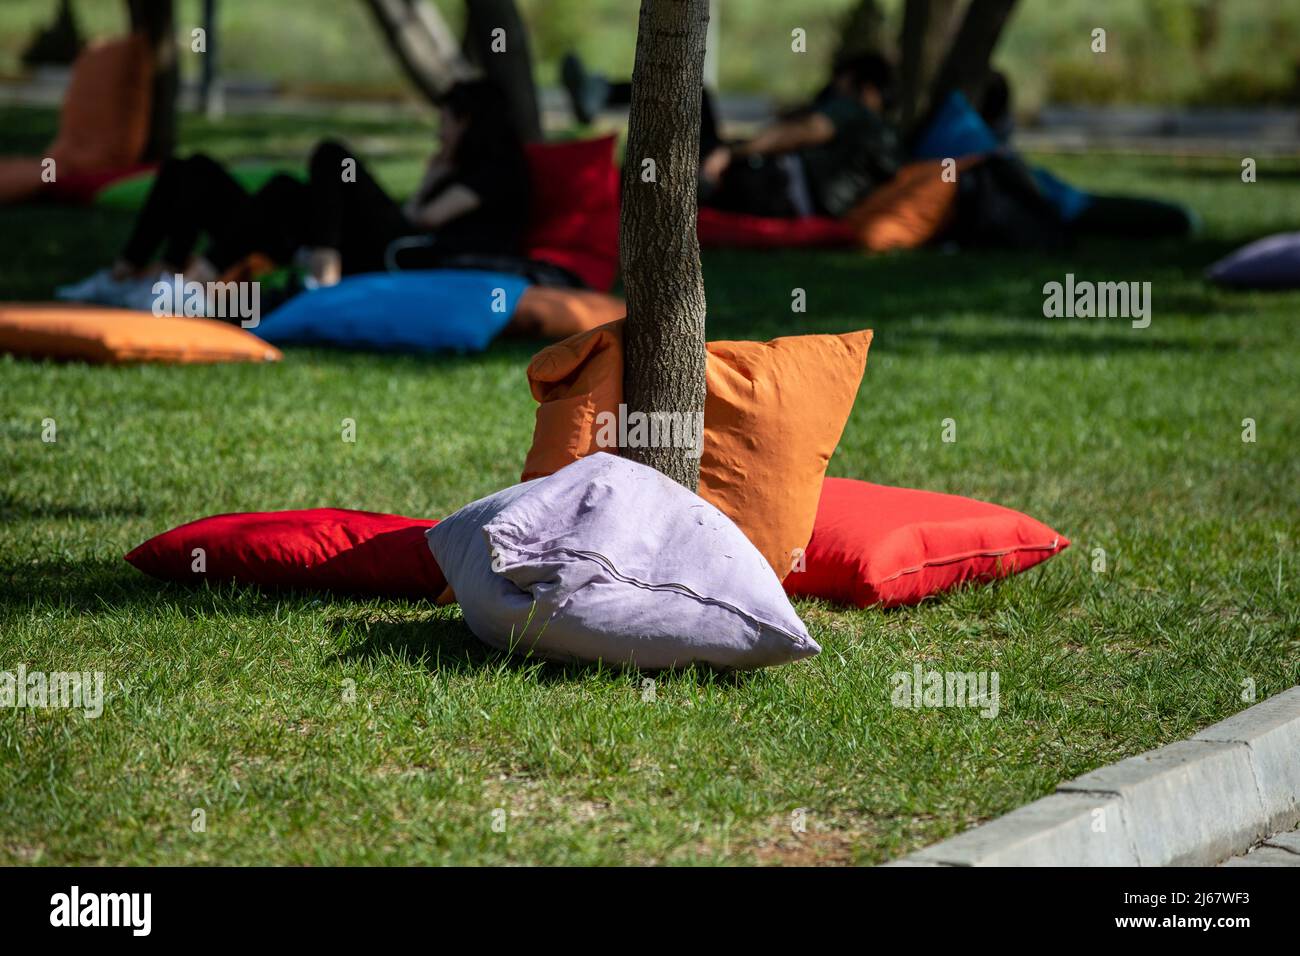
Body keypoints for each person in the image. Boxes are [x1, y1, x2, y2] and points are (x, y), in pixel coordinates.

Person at [57, 80, 531, 309]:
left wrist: (431, 179)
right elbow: (415, 214)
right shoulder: (460, 165)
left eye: (445, 123)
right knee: (197, 170)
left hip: (401, 253)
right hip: (385, 241)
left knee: (330, 153)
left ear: (469, 121)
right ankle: (142, 274)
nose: (438, 133)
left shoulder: (499, 170)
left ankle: (319, 278)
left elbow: (425, 221)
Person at [562, 52, 903, 220]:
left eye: (840, 82)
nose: (833, 90)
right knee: (684, 162)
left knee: (694, 96)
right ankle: (607, 191)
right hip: (783, 198)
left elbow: (804, 132)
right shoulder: (882, 136)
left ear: (863, 85)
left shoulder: (855, 110)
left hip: (773, 185)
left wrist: (730, 152)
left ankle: (602, 95)